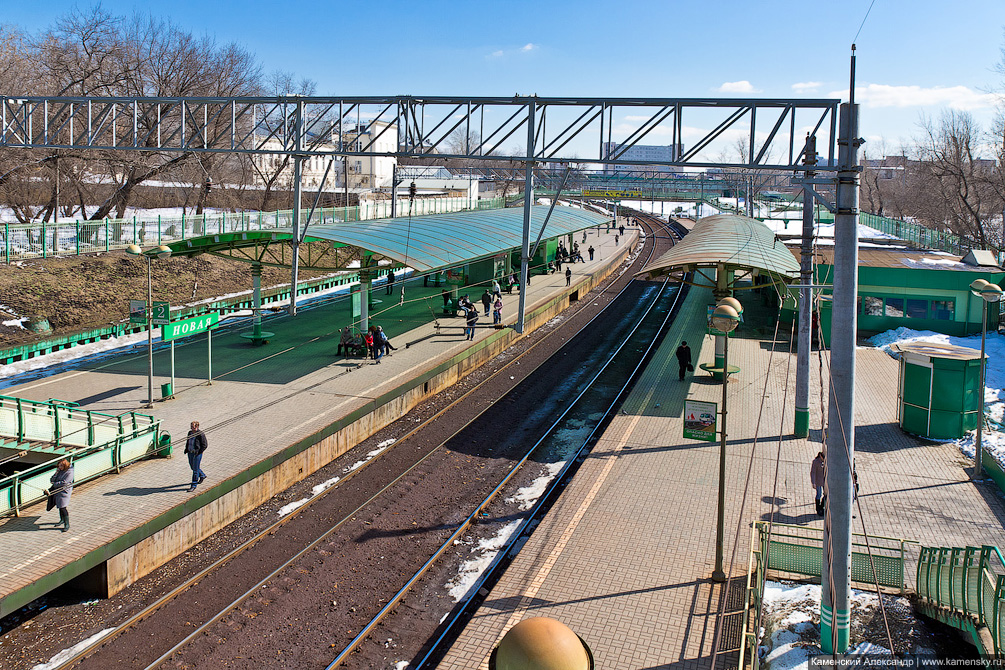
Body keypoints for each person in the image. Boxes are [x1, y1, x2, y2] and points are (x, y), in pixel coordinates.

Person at [47, 459, 74, 532]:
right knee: (59, 505)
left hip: (64, 491)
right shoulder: (59, 470)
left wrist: (55, 484)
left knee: (63, 506)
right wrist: (56, 473)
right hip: (58, 490)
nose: (60, 467)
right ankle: (62, 519)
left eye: (61, 466)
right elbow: (52, 479)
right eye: (59, 466)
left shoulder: (69, 472)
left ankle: (67, 524)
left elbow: (65, 482)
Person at [185, 421, 208, 492]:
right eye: (191, 427)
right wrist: (186, 449)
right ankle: (202, 475)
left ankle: (194, 485)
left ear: (197, 427)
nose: (192, 428)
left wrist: (199, 452)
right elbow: (188, 441)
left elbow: (205, 445)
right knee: (193, 467)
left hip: (197, 454)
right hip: (190, 452)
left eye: (193, 427)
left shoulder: (200, 434)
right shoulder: (190, 433)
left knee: (195, 470)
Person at [811, 451, 826, 516]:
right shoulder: (816, 462)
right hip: (818, 482)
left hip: (824, 482)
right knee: (819, 495)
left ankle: (822, 506)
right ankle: (818, 509)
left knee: (825, 495)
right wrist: (813, 482)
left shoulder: (826, 462)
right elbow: (813, 472)